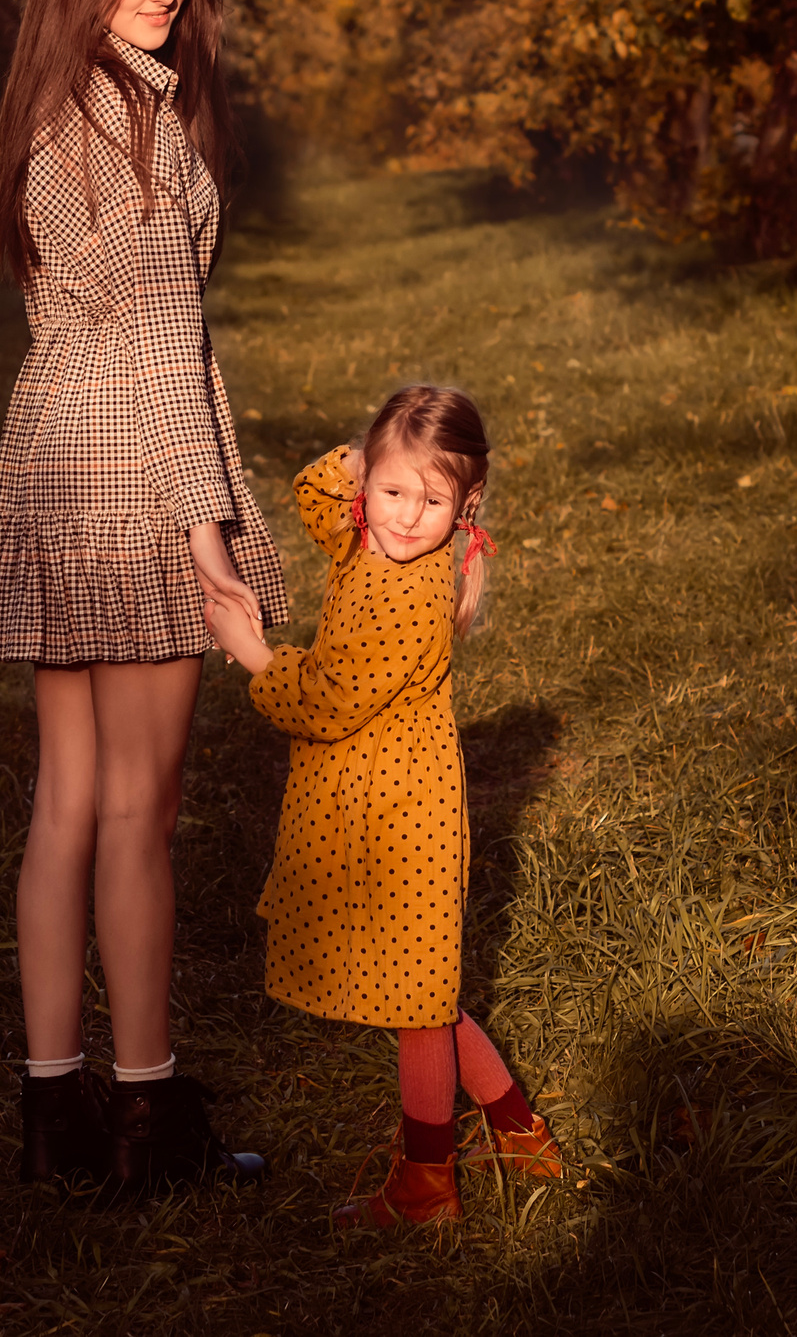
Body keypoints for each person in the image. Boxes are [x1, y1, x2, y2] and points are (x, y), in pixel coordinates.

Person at [0, 0, 291, 1193]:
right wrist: (213, 541)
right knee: (140, 812)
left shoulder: (54, 105)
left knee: (67, 807)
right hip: (138, 474)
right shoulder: (136, 126)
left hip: (50, 458)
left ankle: (54, 1117)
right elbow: (161, 339)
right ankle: (148, 1114)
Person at [205, 384, 561, 1228]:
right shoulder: (370, 527)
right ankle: (518, 1129)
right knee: (422, 992)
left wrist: (254, 655)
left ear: (465, 505)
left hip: (401, 816)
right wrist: (373, 454)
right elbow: (316, 496)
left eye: (431, 500)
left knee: (417, 1001)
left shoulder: (411, 593)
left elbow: (325, 699)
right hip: (369, 801)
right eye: (393, 491)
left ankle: (428, 1182)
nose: (403, 517)